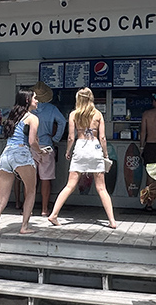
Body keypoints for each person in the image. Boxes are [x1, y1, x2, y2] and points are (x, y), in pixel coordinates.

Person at [46, 88, 117, 229]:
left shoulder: (74, 114)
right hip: (95, 148)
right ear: (91, 98)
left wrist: (68, 151)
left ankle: (54, 214)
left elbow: (71, 137)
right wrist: (105, 154)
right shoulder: (98, 114)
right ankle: (112, 221)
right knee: (102, 188)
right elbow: (102, 137)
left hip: (80, 148)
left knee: (70, 185)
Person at [0, 88, 44, 256]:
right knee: (31, 191)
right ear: (27, 101)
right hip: (21, 154)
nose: (37, 100)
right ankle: (24, 227)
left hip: (6, 155)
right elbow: (32, 142)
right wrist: (40, 151)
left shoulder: (13, 116)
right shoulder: (33, 118)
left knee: (0, 200)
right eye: (34, 98)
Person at [31, 81, 66, 216]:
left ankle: (28, 208)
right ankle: (44, 209)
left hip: (32, 146)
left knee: (31, 179)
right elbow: (62, 122)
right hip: (47, 146)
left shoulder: (30, 108)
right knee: (46, 179)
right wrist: (56, 138)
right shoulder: (52, 109)